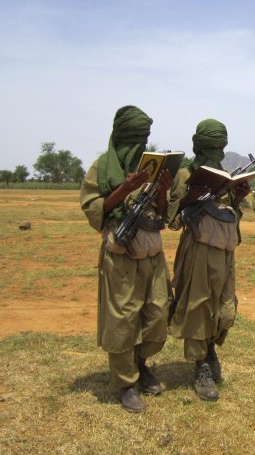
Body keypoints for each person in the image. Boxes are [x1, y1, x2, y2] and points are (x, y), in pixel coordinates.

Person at [80, 105, 173, 413]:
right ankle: (125, 382)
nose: (140, 144)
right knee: (122, 319)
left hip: (153, 253)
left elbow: (162, 212)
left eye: (144, 137)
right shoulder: (101, 168)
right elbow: (94, 209)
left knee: (159, 314)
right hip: (119, 254)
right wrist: (125, 188)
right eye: (135, 138)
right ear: (120, 136)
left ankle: (141, 362)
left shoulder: (152, 166)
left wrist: (162, 190)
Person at [166, 118, 250, 401]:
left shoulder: (223, 175)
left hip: (226, 251)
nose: (218, 153)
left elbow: (234, 213)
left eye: (221, 147)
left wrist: (237, 196)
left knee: (225, 309)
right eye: (213, 147)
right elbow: (173, 221)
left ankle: (210, 347)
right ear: (200, 146)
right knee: (198, 307)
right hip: (198, 250)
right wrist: (192, 198)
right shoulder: (185, 175)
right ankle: (200, 365)